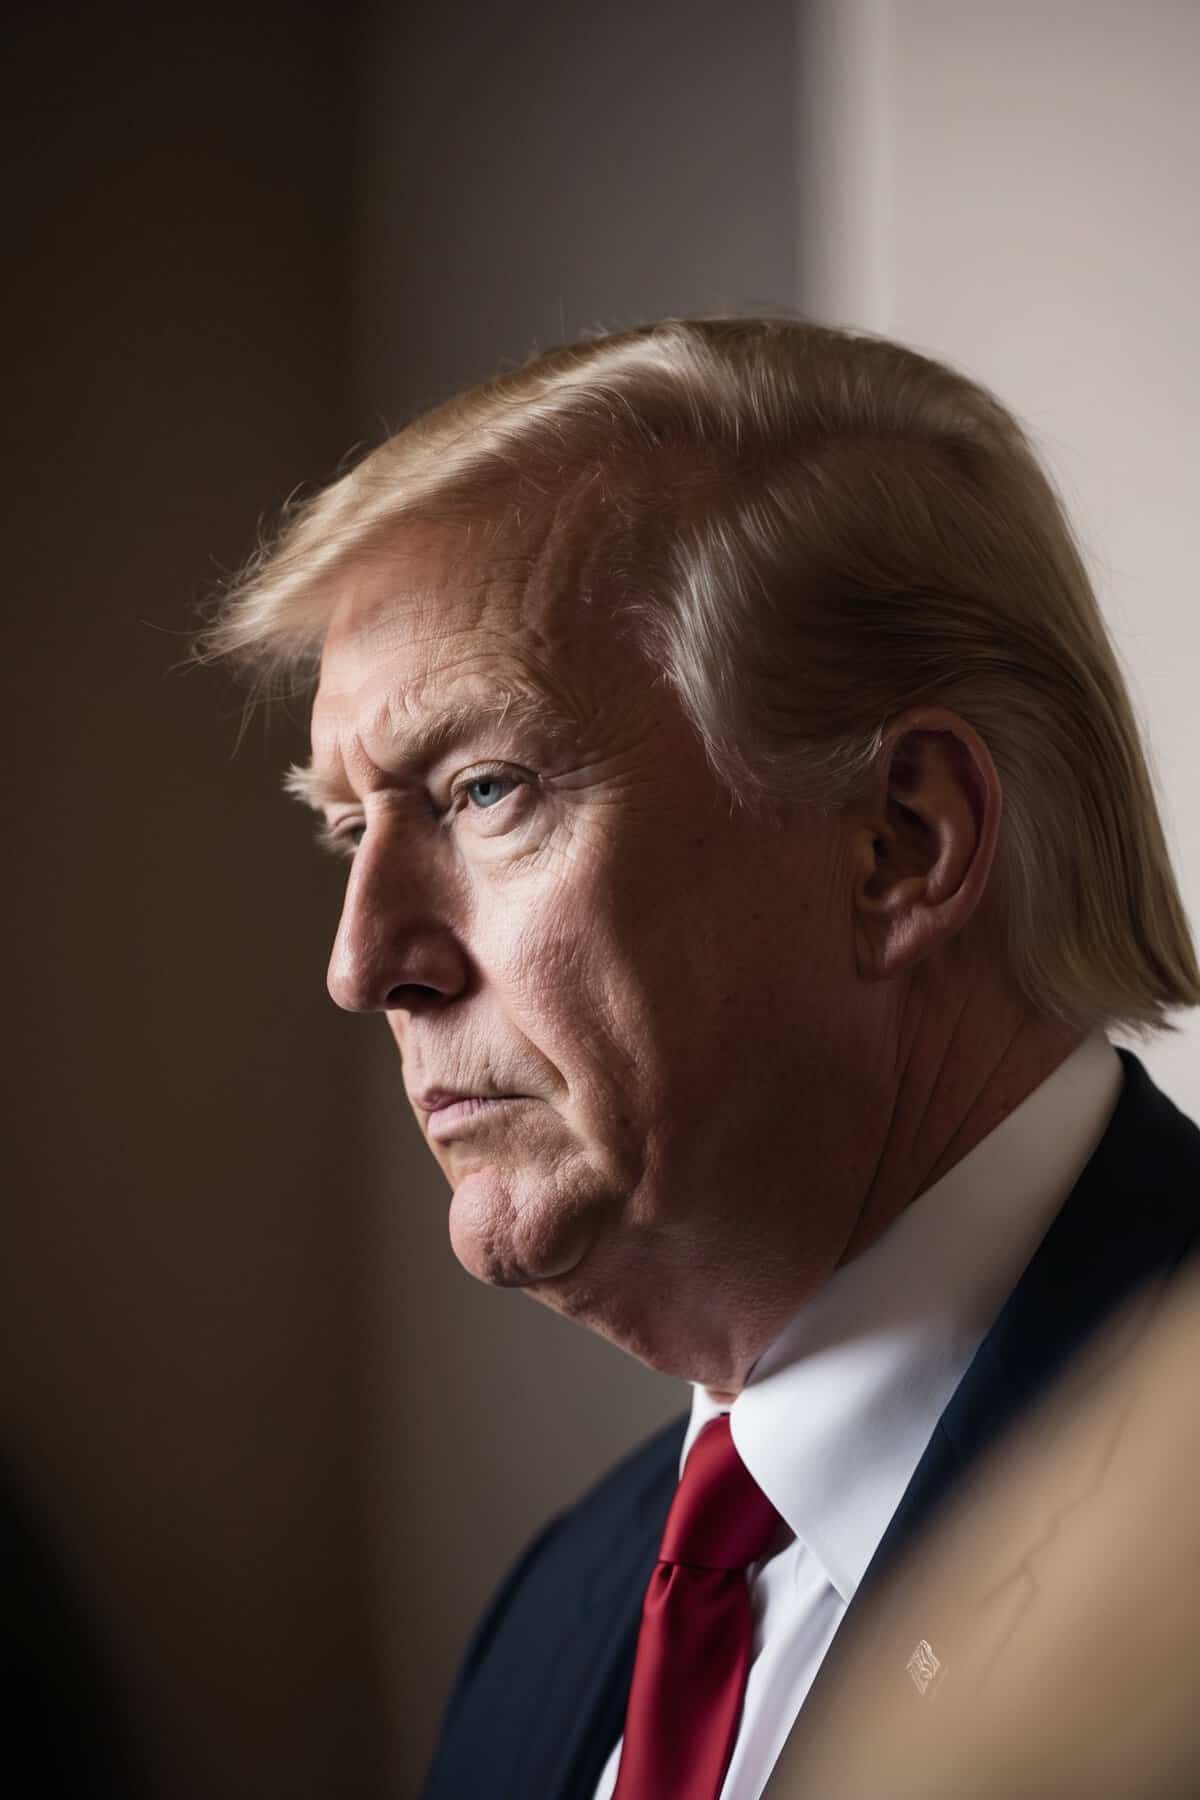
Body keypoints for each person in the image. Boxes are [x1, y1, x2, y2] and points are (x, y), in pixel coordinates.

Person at [206, 317, 1200, 1800]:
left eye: (485, 790)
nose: (365, 965)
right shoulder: (555, 1614)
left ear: (901, 845)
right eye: (352, 830)